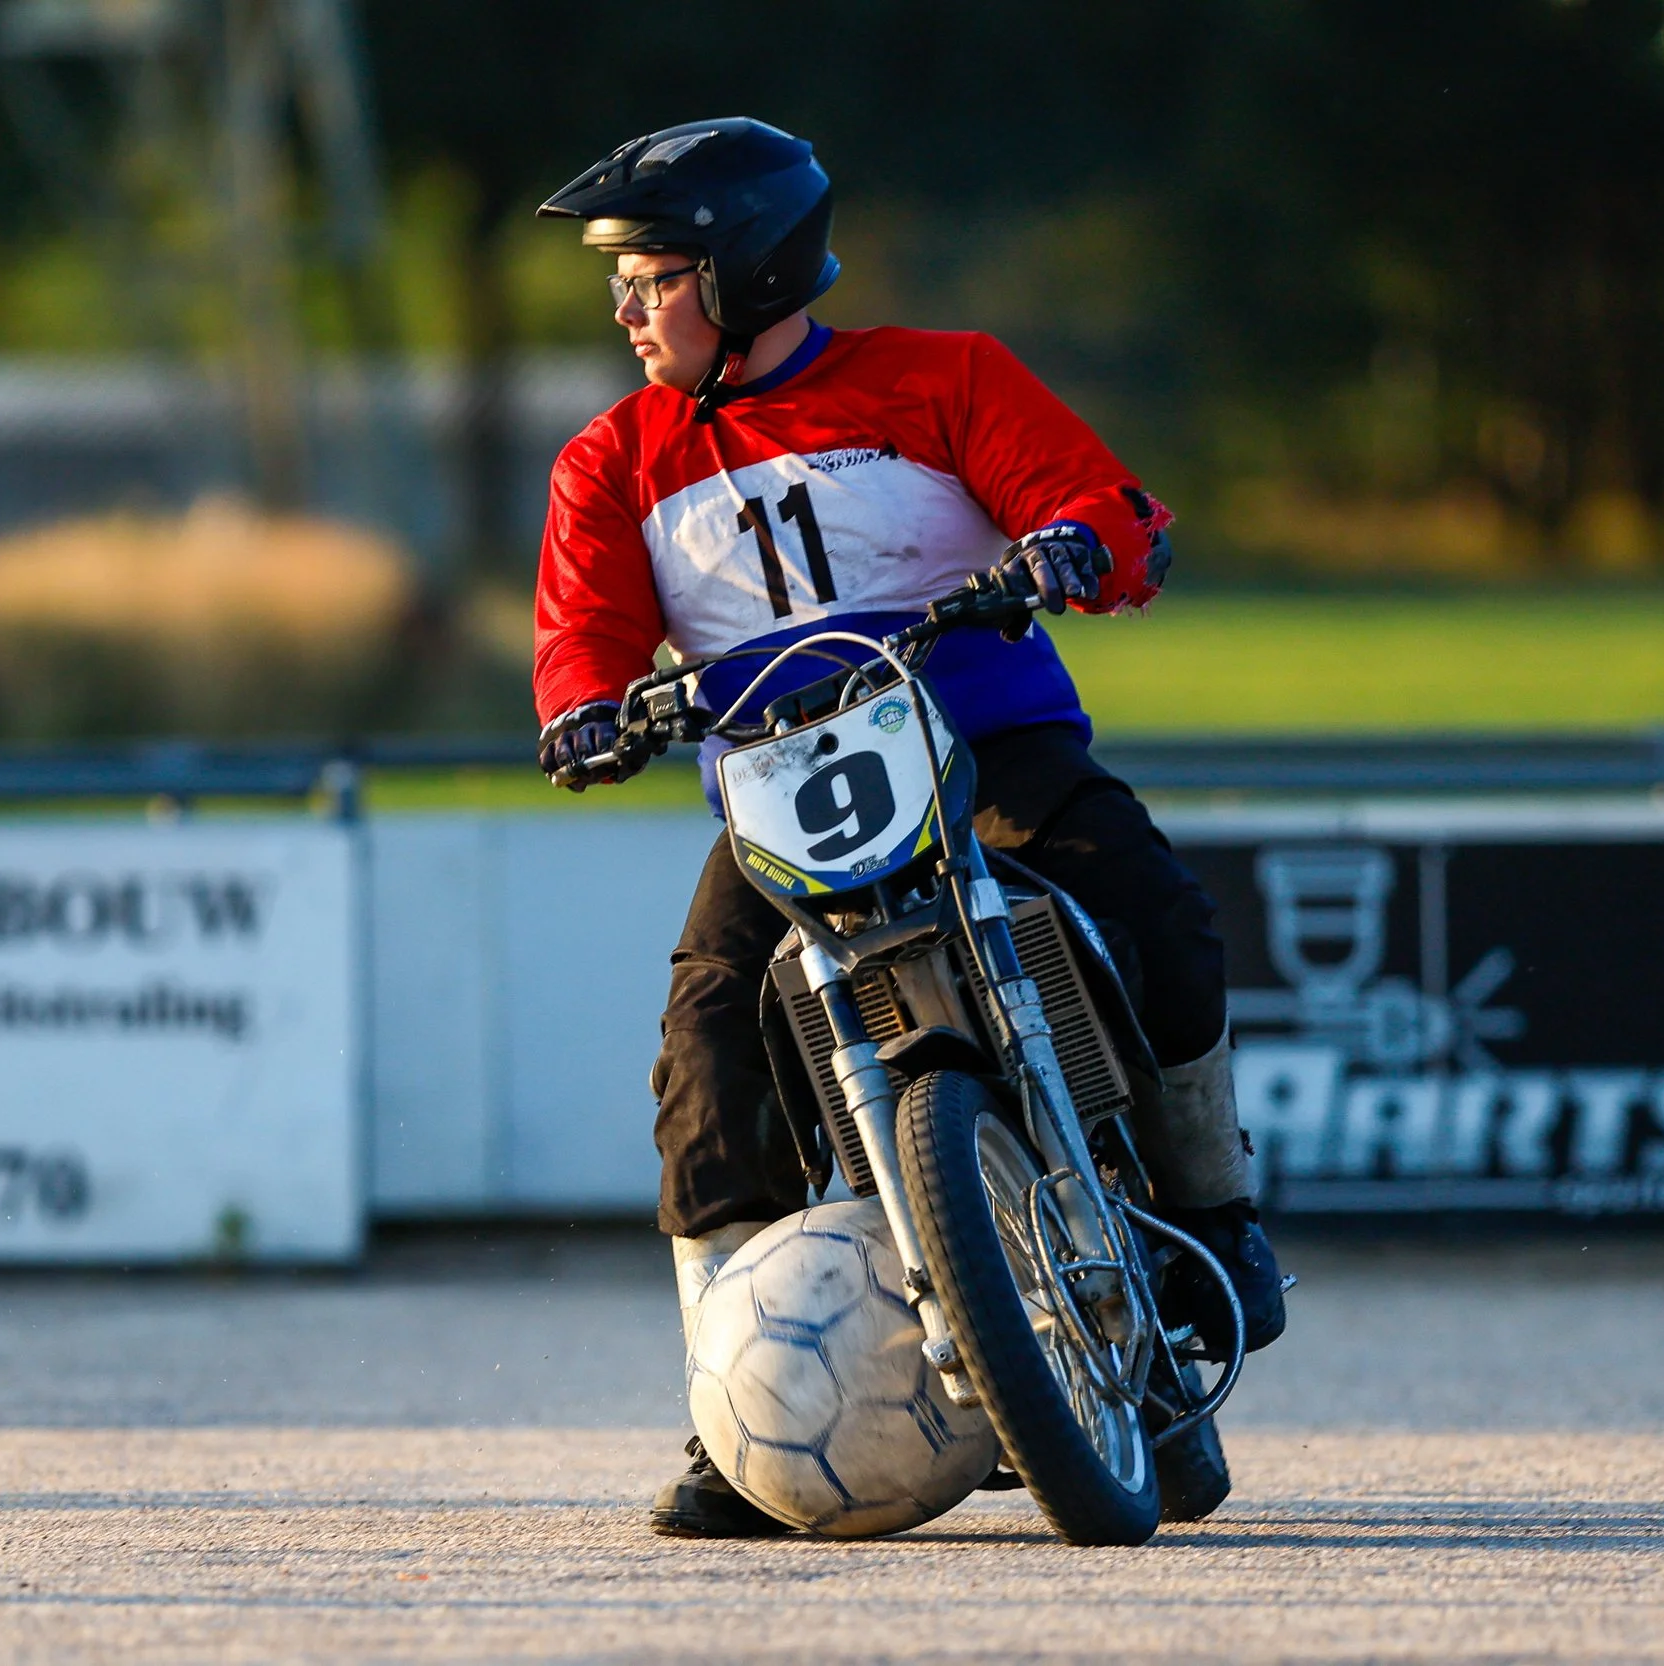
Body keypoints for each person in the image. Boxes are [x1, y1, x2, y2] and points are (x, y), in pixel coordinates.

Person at [528, 118, 1287, 1539]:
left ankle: (1216, 1216)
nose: (626, 311)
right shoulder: (611, 461)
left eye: (653, 278)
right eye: (620, 285)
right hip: (780, 794)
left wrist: (1079, 541)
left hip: (989, 745)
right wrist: (585, 711)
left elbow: (1104, 509)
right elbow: (584, 642)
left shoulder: (944, 378)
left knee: (1158, 911)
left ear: (748, 271)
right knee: (704, 1043)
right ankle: (731, 1404)